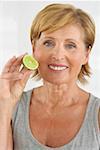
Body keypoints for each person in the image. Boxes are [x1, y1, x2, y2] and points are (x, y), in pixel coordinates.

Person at [0, 3, 100, 150]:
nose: (58, 55)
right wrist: (4, 106)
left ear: (86, 54)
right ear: (34, 48)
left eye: (70, 45)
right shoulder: (13, 107)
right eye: (48, 43)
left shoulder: (96, 114)